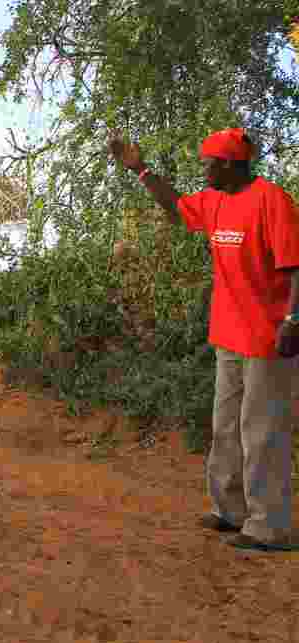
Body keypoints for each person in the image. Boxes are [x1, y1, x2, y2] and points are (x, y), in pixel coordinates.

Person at [109, 127, 299, 552]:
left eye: (208, 162)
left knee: (262, 431)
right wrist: (140, 169)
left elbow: (295, 264)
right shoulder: (213, 200)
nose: (203, 169)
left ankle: (271, 525)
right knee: (227, 426)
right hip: (229, 332)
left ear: (230, 164)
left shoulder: (272, 200)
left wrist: (293, 319)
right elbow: (175, 207)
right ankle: (231, 510)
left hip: (269, 337)